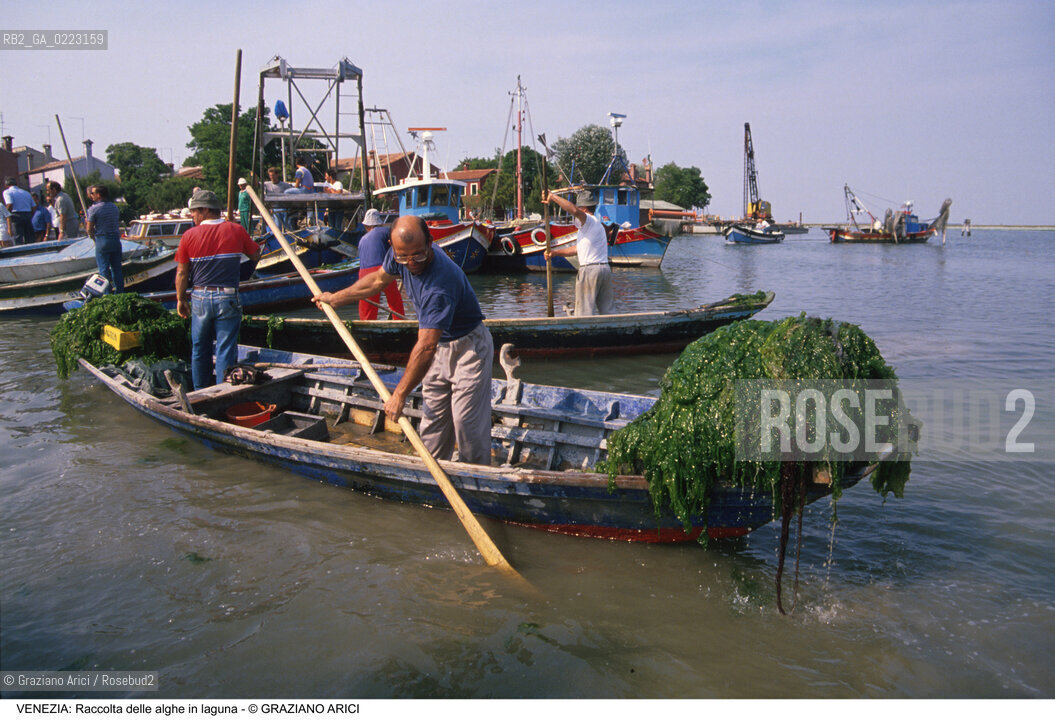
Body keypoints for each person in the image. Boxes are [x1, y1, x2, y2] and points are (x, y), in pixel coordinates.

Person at [312, 215, 493, 465]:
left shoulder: (438, 286)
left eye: (418, 255)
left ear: (430, 243)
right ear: (393, 247)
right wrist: (335, 298)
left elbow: (426, 346)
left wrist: (399, 395)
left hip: (468, 348)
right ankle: (433, 474)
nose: (411, 264)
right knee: (432, 425)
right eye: (403, 257)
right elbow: (376, 281)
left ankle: (477, 479)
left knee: (467, 426)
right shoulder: (402, 255)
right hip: (439, 346)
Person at [175, 189, 261, 390]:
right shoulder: (236, 230)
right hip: (227, 297)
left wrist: (180, 299)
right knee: (225, 349)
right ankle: (222, 392)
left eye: (194, 212)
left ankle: (200, 391)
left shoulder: (188, 236)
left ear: (205, 210)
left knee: (199, 348)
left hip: (200, 298)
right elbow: (256, 255)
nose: (192, 216)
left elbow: (181, 273)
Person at [541, 189, 614, 316]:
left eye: (580, 209)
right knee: (608, 311)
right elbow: (576, 249)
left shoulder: (589, 220)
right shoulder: (594, 226)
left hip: (590, 270)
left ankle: (582, 331)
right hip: (604, 269)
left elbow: (574, 210)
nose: (576, 216)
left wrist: (553, 197)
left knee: (584, 313)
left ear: (584, 209)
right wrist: (555, 253)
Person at [356, 209, 405, 321]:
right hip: (380, 269)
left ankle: (366, 323)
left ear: (367, 226)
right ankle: (399, 319)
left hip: (363, 273)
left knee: (368, 301)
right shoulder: (385, 231)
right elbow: (397, 244)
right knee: (394, 298)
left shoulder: (362, 240)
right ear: (380, 223)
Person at [85, 184, 125, 292]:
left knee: (103, 270)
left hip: (102, 240)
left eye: (92, 193)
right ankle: (120, 292)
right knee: (117, 269)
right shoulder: (114, 207)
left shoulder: (93, 209)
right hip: (115, 240)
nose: (91, 195)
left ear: (98, 195)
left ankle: (107, 294)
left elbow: (89, 228)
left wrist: (92, 237)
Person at [3, 177, 35, 246]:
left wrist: (6, 215)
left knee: (18, 238)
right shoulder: (26, 192)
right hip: (27, 214)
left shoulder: (7, 192)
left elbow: (10, 204)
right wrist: (30, 215)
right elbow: (33, 206)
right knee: (29, 237)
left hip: (16, 215)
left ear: (6, 185)